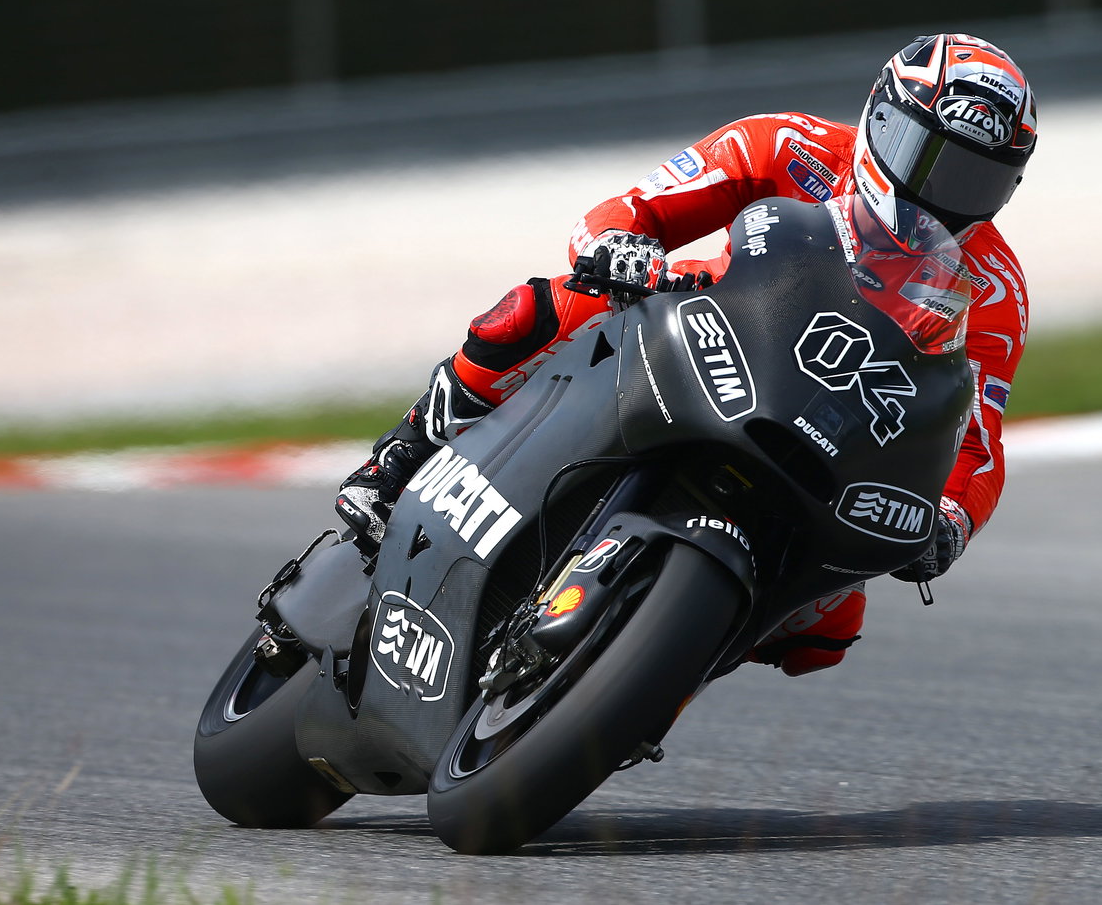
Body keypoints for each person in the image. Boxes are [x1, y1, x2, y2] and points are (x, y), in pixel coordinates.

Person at [335, 33, 1037, 677]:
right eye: (928, 158)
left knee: (822, 632)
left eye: (973, 181)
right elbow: (637, 207)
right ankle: (400, 457)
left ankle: (646, 690)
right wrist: (618, 245)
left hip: (835, 435)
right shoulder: (785, 145)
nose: (937, 195)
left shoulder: (996, 290)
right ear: (882, 118)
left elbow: (976, 440)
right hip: (716, 327)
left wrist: (951, 522)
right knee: (545, 308)